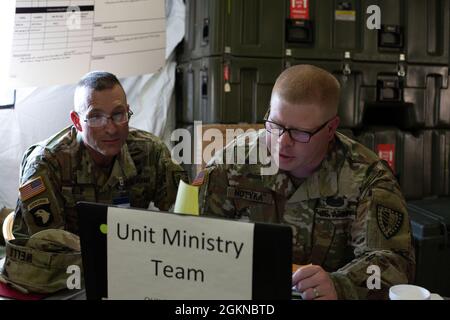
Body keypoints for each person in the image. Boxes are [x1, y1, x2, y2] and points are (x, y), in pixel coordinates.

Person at [196, 65, 415, 300]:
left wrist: (341, 285)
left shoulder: (367, 178)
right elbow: (193, 241)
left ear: (330, 128)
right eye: (276, 125)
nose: (283, 142)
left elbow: (394, 262)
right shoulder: (232, 164)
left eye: (300, 133)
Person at [13, 71, 187, 237]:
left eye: (118, 115)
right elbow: (43, 244)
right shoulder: (46, 163)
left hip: (126, 256)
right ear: (77, 122)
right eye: (96, 117)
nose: (111, 129)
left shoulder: (150, 151)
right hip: (65, 262)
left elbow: (185, 217)